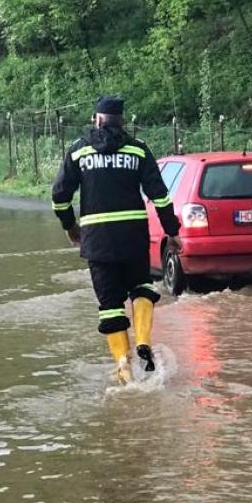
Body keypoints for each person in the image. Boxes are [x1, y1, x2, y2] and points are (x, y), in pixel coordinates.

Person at [51, 96, 182, 385]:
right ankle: (144, 340)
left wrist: (70, 227)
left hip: (97, 242)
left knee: (110, 303)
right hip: (133, 238)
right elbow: (159, 195)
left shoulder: (77, 152)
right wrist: (171, 231)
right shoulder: (138, 150)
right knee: (142, 287)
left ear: (96, 120)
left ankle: (123, 363)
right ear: (122, 122)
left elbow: (59, 196)